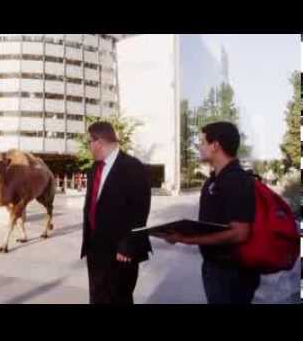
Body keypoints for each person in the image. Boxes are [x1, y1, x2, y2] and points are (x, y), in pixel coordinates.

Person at [161, 122, 259, 304]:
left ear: (216, 146)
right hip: (215, 267)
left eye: (202, 142)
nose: (198, 146)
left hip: (232, 272)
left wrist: (185, 238)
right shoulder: (214, 181)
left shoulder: (237, 181)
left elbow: (239, 233)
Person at [81, 121, 152, 304]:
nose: (89, 145)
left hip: (121, 251)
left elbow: (140, 209)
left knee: (118, 299)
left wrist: (128, 244)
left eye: (90, 141)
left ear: (100, 141)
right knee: (97, 298)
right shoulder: (94, 169)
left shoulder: (133, 167)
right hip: (96, 249)